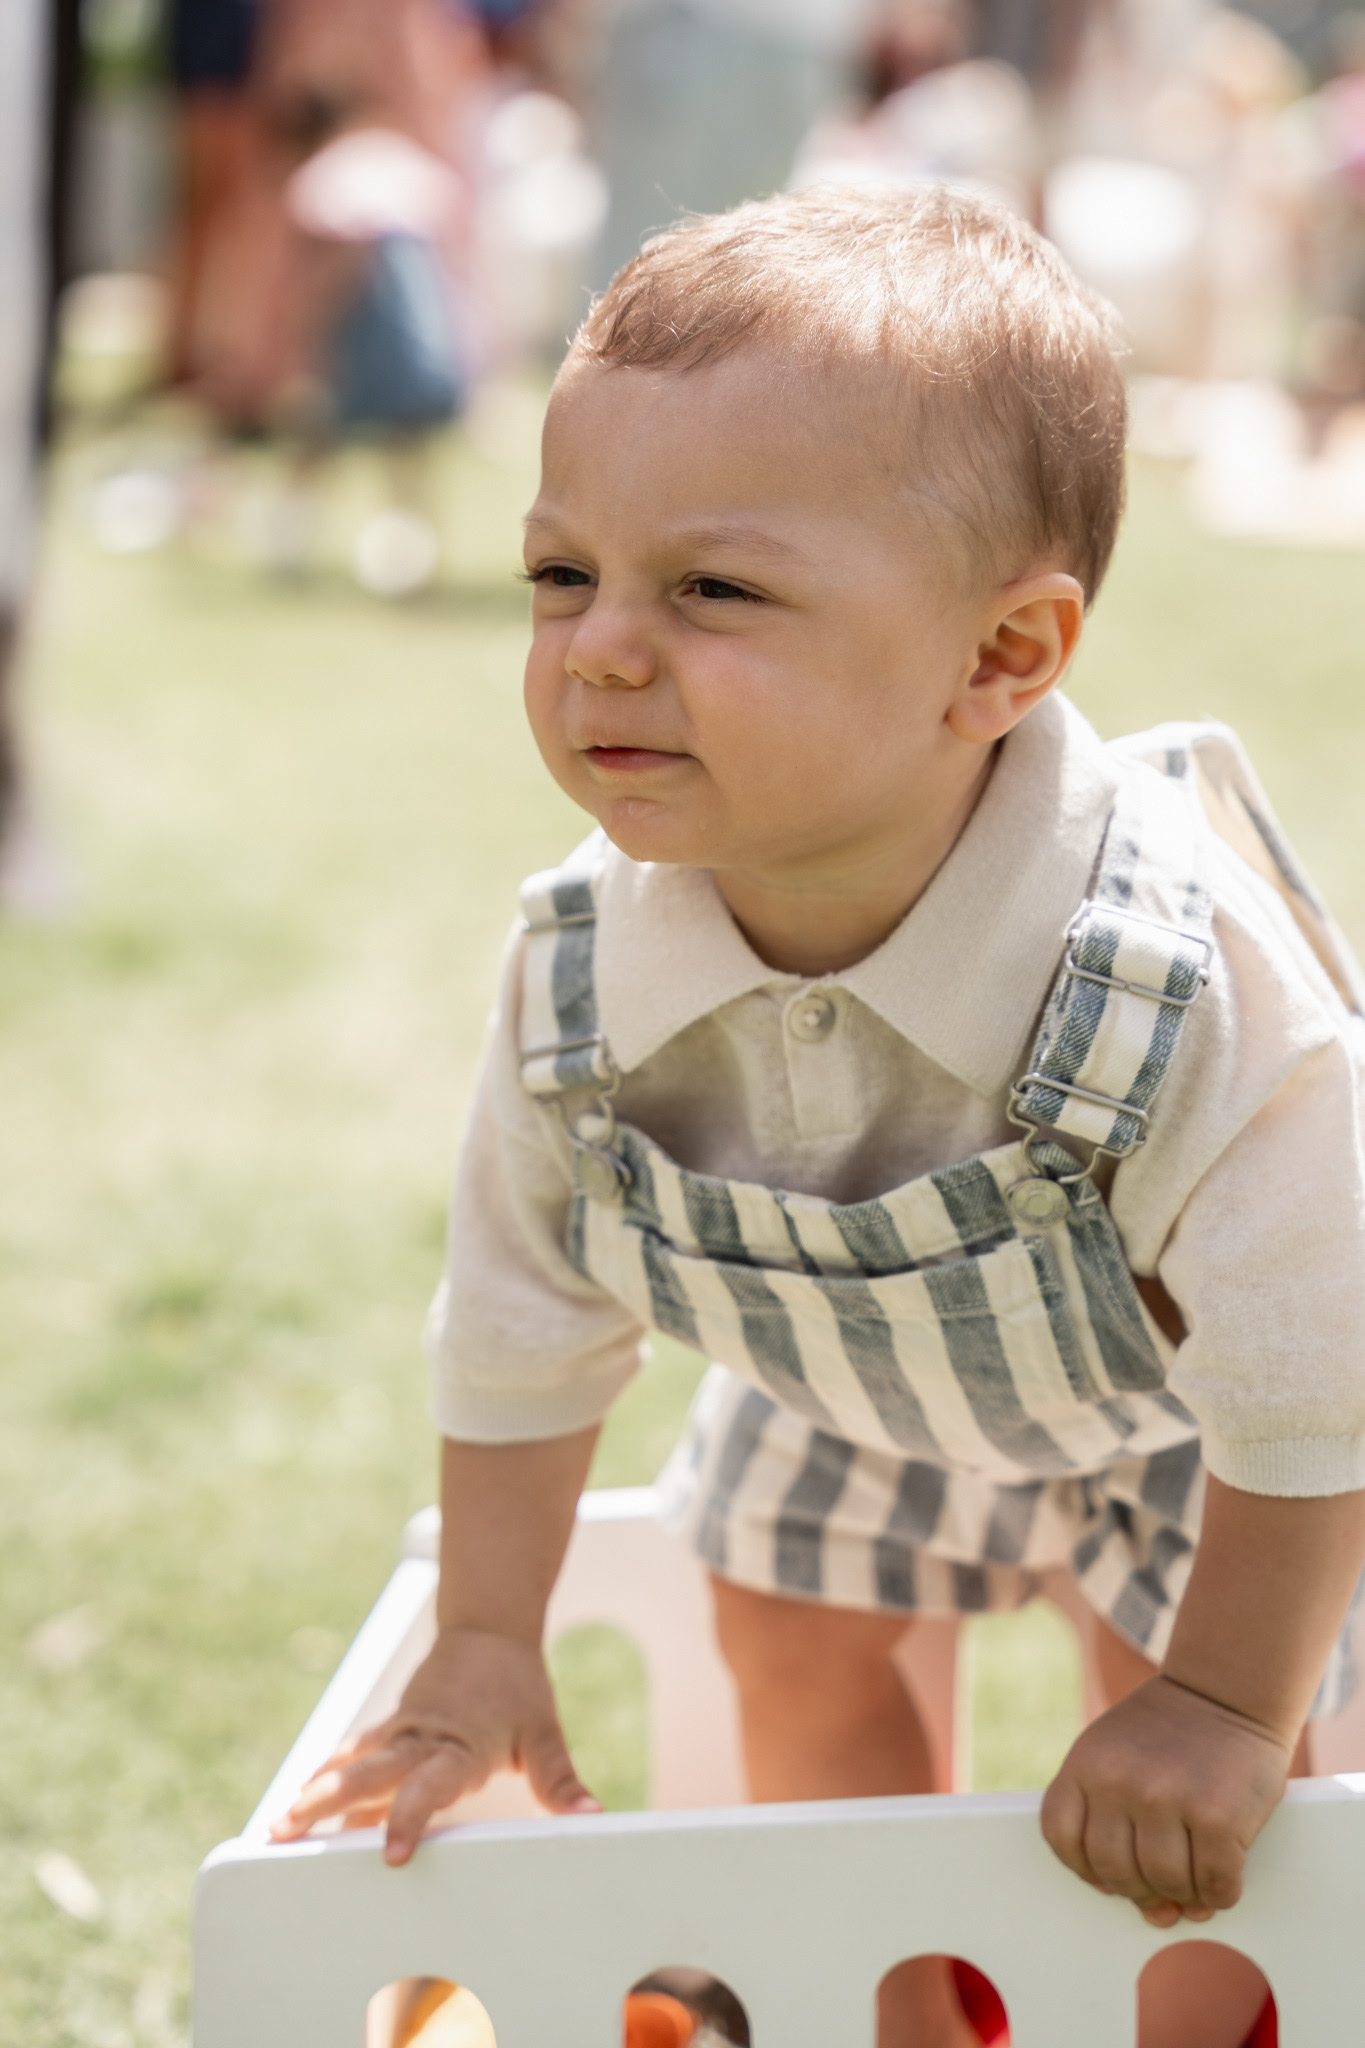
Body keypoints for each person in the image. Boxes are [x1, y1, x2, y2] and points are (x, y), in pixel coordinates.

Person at [272, 186, 1365, 2048]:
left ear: (1000, 661)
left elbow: (1311, 1355)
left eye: (711, 590)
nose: (601, 649)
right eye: (561, 575)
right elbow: (524, 1325)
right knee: (781, 1636)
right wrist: (478, 1645)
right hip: (850, 1390)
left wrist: (1230, 1708)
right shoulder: (582, 978)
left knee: (1185, 1790)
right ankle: (893, 2015)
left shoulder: (1172, 981)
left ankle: (1196, 2021)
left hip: (1204, 1424)